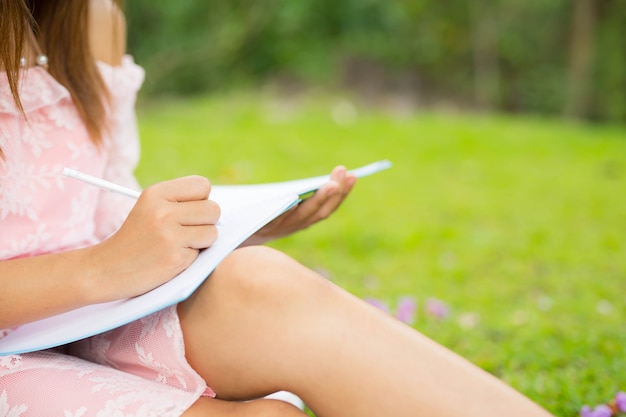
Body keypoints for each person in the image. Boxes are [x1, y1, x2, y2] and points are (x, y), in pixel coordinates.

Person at [0, 1, 556, 416]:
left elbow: (96, 202)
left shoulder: (90, 21)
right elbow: (101, 260)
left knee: (264, 285)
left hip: (82, 315)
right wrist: (101, 268)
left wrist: (230, 228)